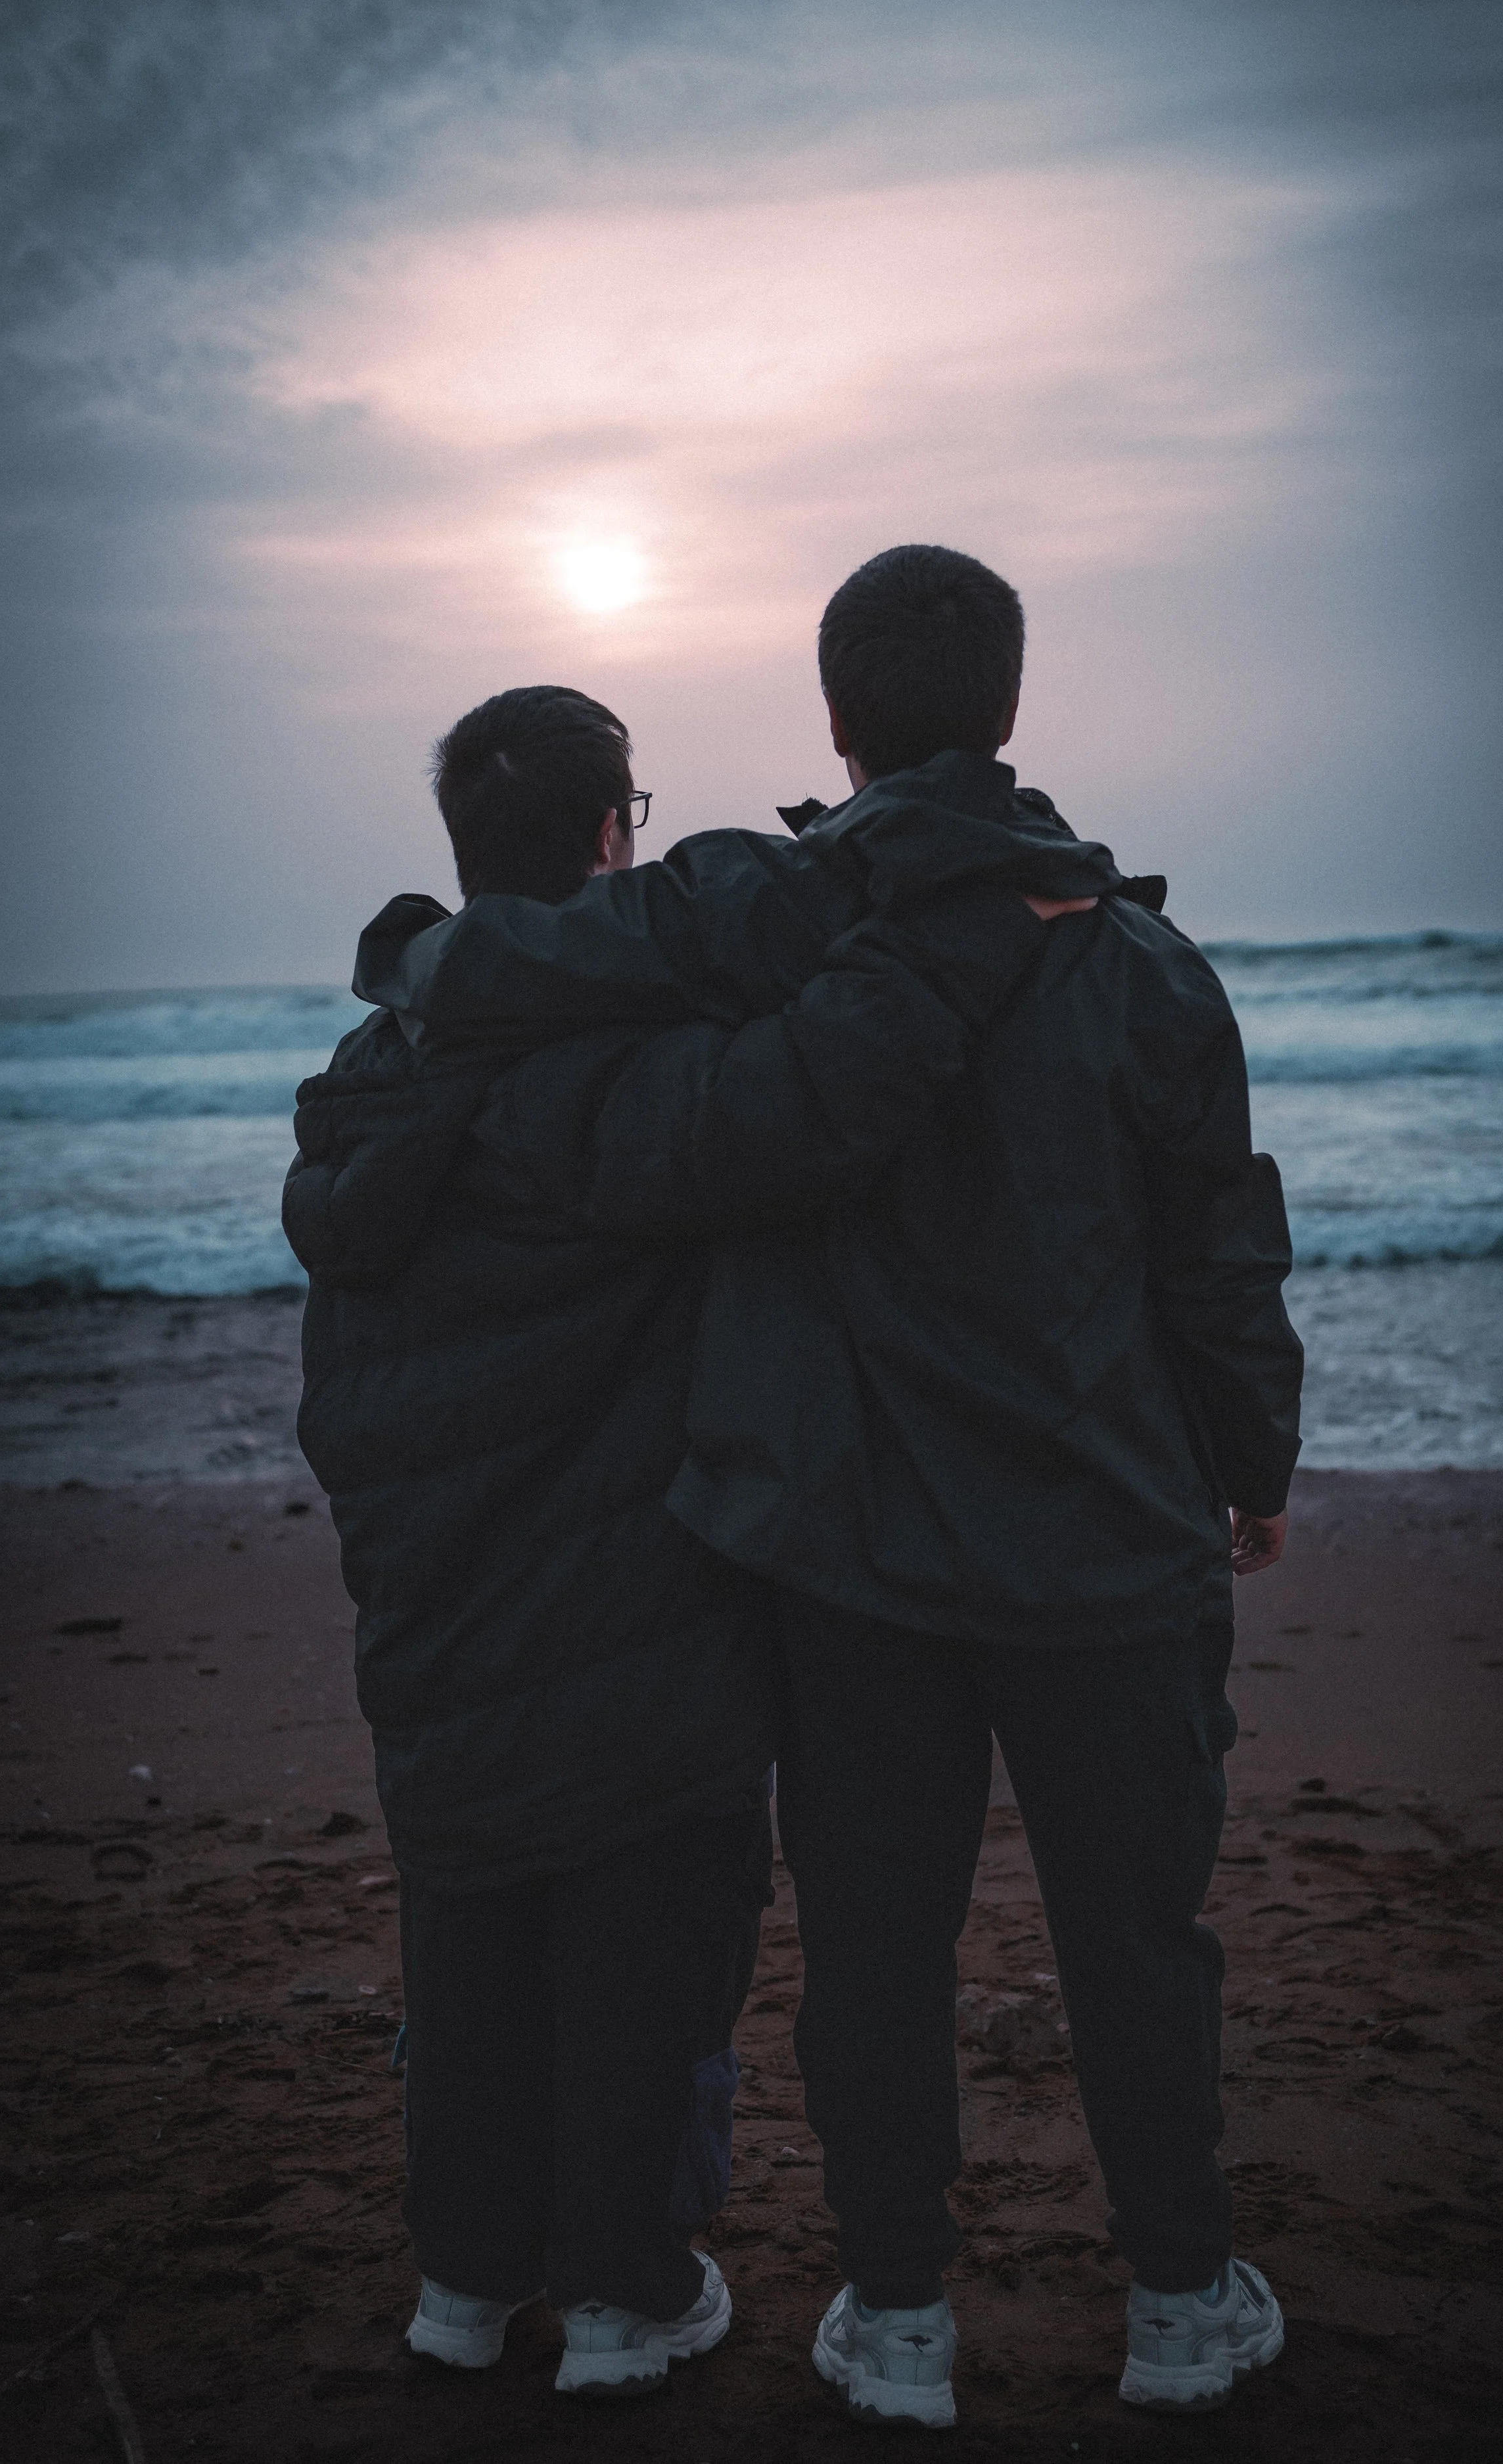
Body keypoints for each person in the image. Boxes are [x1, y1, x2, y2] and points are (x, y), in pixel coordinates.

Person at [358, 547, 1305, 2427]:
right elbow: (1220, 1257)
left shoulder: (772, 944)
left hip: (851, 1555)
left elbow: (593, 982)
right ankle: (1181, 2300)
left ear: (833, 717)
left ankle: (896, 2320)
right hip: (1109, 1543)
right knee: (1138, 1938)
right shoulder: (1130, 958)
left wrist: (418, 973)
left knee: (875, 1948)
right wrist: (1249, 1464)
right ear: (1010, 707)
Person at [283, 681, 1094, 2398]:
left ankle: (460, 2287)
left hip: (427, 1601)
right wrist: (964, 925)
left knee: (475, 1949)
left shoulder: (369, 1075)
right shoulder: (612, 1075)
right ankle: (625, 2301)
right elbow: (824, 1091)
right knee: (641, 1964)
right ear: (607, 835)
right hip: (629, 1595)